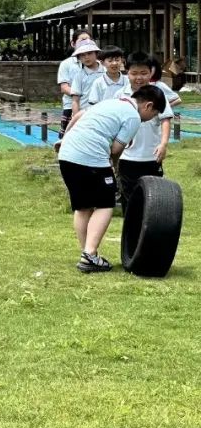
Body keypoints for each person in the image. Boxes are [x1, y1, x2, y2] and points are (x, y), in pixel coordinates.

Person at [57, 84, 164, 273]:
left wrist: (64, 139)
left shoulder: (111, 103)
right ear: (148, 106)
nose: (151, 118)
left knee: (83, 206)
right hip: (89, 157)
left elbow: (78, 115)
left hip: (67, 155)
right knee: (105, 203)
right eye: (154, 114)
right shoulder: (133, 117)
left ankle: (88, 254)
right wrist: (113, 171)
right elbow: (115, 150)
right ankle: (90, 255)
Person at [116, 53, 176, 215]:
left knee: (153, 198)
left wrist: (163, 144)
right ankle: (131, 234)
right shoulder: (121, 95)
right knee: (129, 199)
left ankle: (149, 230)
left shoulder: (158, 93)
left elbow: (165, 120)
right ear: (126, 72)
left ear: (151, 72)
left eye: (143, 73)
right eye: (134, 73)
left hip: (151, 156)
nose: (139, 78)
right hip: (127, 157)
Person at [56, 29, 91, 133]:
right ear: (73, 44)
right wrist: (81, 94)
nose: (85, 43)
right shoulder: (66, 64)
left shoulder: (98, 65)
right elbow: (64, 87)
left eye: (88, 40)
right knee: (68, 136)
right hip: (70, 105)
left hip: (92, 106)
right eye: (82, 40)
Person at [69, 39, 104, 116]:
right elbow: (75, 100)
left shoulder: (106, 71)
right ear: (78, 58)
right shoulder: (79, 76)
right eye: (82, 55)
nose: (86, 57)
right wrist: (76, 118)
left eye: (89, 53)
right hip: (86, 114)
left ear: (96, 54)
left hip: (105, 113)